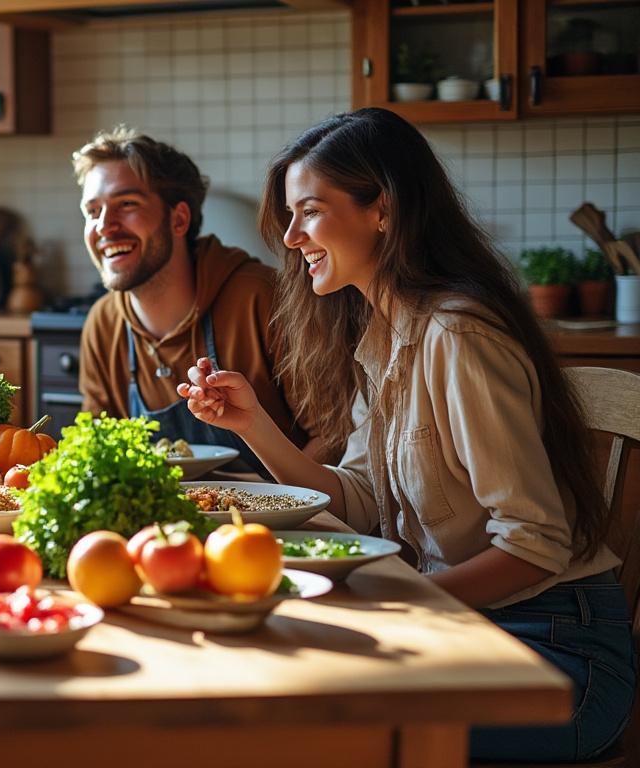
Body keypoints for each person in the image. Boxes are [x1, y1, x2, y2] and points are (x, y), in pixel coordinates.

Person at [181, 107, 634, 762]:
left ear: (383, 211)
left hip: (554, 656)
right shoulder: (382, 336)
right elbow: (358, 500)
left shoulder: (457, 335)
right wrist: (252, 424)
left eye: (309, 211)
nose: (291, 236)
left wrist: (396, 600)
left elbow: (535, 545)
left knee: (326, 732)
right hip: (469, 631)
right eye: (290, 215)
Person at [72, 127, 326, 475]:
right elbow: (97, 450)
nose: (104, 226)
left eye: (126, 204)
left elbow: (332, 433)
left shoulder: (263, 298)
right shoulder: (103, 323)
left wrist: (275, 505)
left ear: (178, 219)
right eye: (93, 211)